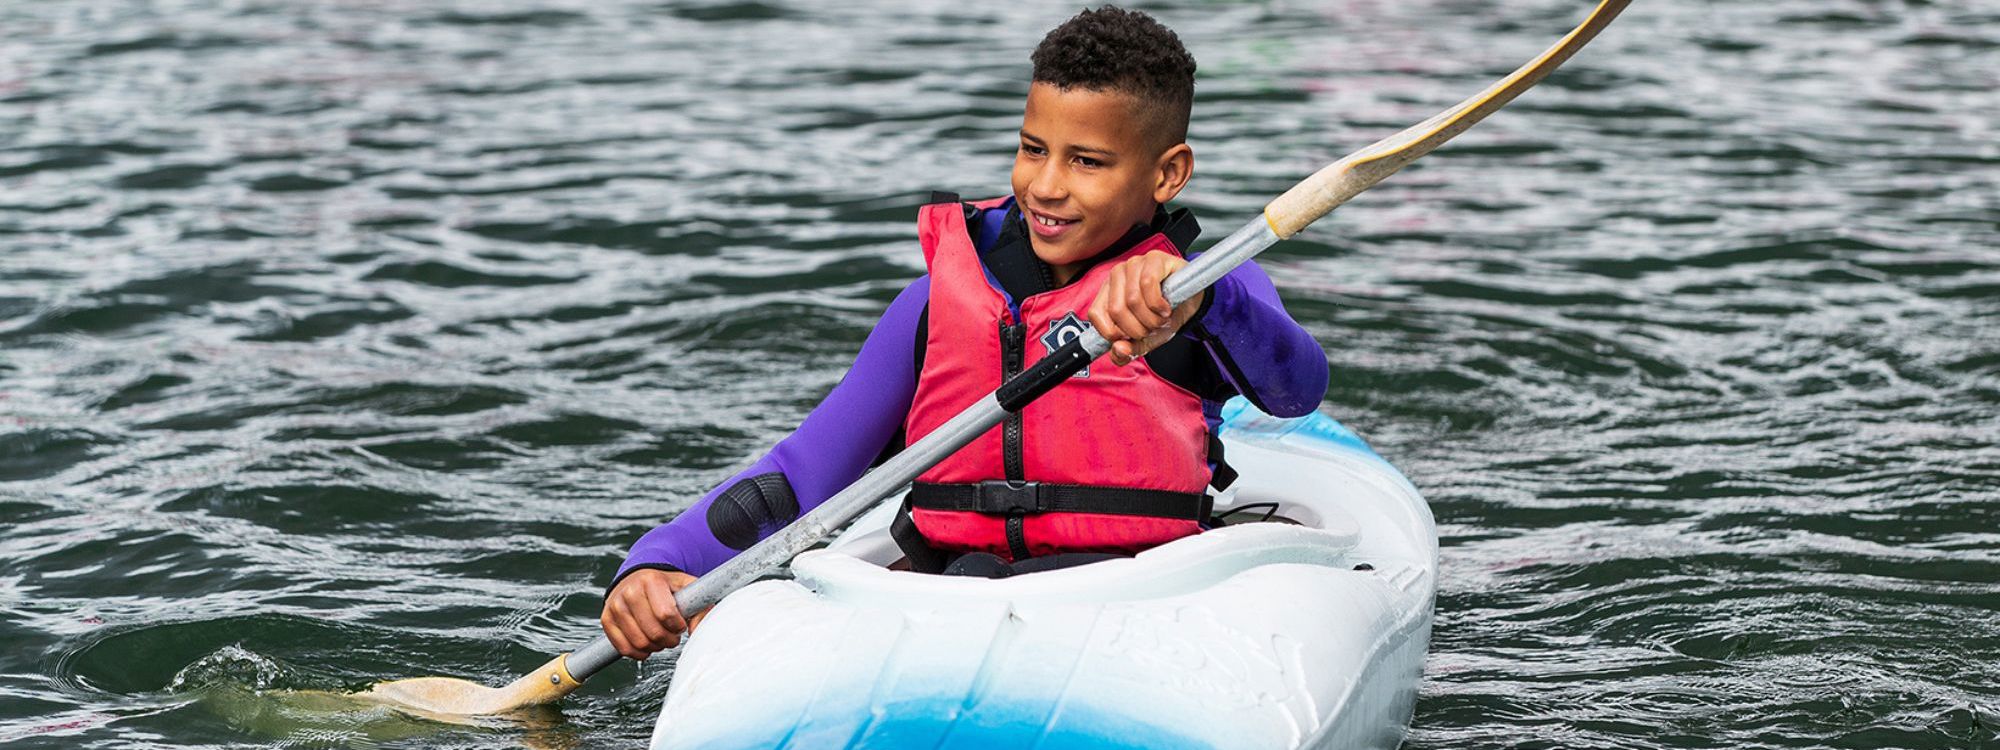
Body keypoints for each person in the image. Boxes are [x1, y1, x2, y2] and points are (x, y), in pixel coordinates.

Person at [598, 6, 1328, 662]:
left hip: (1136, 593)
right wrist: (660, 560)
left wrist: (1203, 303)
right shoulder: (934, 304)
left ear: (1168, 174)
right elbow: (804, 473)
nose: (1046, 185)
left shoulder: (1199, 289)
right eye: (1033, 148)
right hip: (951, 589)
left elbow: (1296, 390)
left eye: (1087, 162)